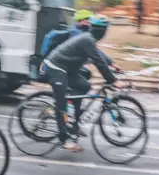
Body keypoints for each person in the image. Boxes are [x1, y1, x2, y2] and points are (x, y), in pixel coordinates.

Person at [43, 15, 120, 152]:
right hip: (55, 68)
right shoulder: (87, 39)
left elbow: (98, 56)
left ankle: (73, 124)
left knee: (84, 86)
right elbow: (98, 61)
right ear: (101, 31)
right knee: (62, 105)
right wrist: (113, 80)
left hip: (67, 69)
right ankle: (64, 139)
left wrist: (112, 66)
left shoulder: (89, 39)